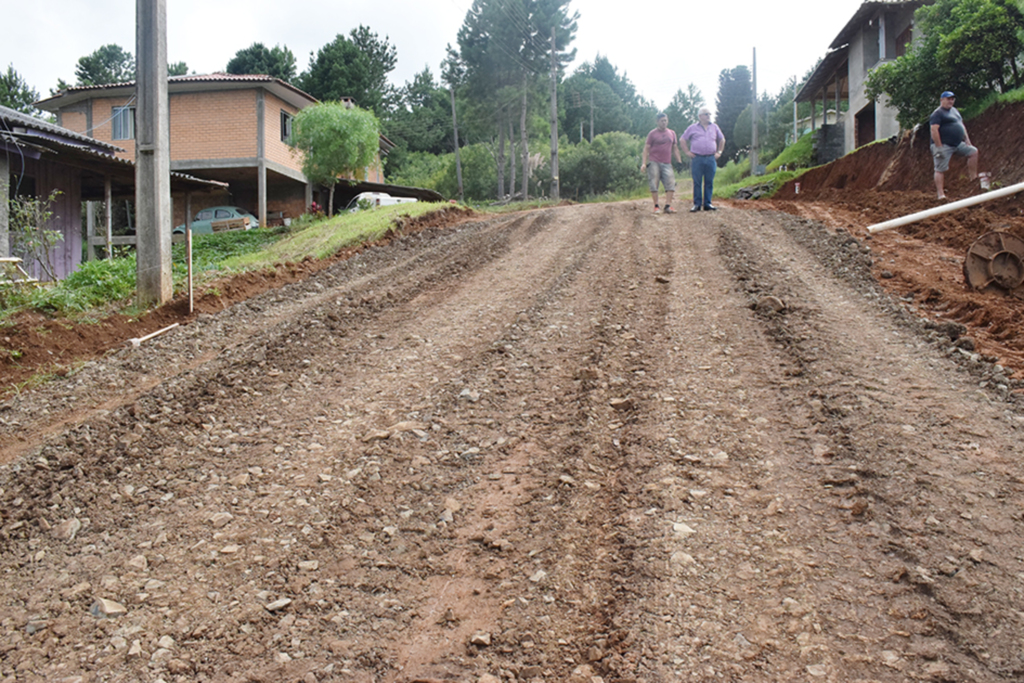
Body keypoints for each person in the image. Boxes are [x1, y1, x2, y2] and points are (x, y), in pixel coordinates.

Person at [929, 91, 979, 200]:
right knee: (940, 169)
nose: (950, 101)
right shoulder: (937, 113)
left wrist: (967, 140)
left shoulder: (955, 111)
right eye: (948, 99)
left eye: (952, 99)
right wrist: (939, 146)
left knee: (973, 152)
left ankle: (973, 180)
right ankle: (941, 194)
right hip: (944, 145)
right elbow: (934, 130)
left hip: (957, 144)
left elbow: (961, 126)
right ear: (941, 100)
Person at [680, 107, 725, 212]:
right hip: (697, 158)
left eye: (709, 114)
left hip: (711, 158)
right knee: (697, 182)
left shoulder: (714, 127)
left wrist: (719, 152)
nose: (708, 116)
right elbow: (682, 139)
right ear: (700, 116)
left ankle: (708, 203)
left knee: (709, 181)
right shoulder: (692, 128)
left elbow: (722, 139)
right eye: (706, 114)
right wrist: (687, 152)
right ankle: (697, 204)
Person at [641, 113, 682, 214]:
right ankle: (656, 206)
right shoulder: (652, 133)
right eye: (662, 121)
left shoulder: (672, 133)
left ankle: (668, 206)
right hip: (654, 161)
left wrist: (679, 161)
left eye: (665, 120)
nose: (664, 122)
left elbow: (675, 148)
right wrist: (644, 163)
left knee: (671, 183)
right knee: (654, 184)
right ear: (657, 122)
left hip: (667, 162)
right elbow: (646, 148)